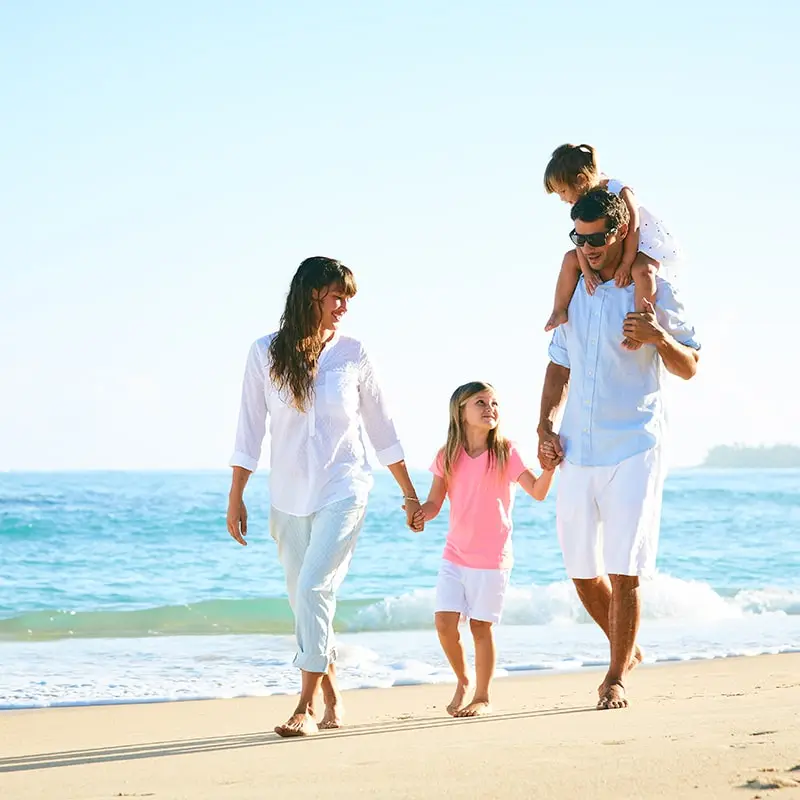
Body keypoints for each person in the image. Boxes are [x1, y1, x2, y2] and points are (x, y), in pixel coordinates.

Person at [226, 256, 422, 737]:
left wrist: (410, 494)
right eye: (337, 296)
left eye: (347, 299)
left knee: (315, 588)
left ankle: (304, 706)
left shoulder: (354, 352)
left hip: (345, 486)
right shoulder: (264, 352)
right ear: (310, 295)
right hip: (287, 495)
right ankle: (333, 695)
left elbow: (382, 426)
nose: (343, 307)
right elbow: (249, 429)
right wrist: (236, 495)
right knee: (305, 601)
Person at [537, 189, 700, 710]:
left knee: (625, 568)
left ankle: (615, 679)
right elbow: (558, 363)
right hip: (577, 451)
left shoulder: (653, 287)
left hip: (634, 444)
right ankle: (627, 650)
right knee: (583, 572)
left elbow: (690, 366)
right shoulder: (575, 292)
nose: (587, 248)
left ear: (619, 232)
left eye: (597, 239)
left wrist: (657, 337)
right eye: (577, 239)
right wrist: (544, 423)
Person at [411, 382, 555, 717]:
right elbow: (435, 501)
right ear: (460, 411)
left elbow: (537, 492)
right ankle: (462, 680)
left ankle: (482, 695)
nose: (490, 408)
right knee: (444, 624)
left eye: (494, 403)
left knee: (480, 628)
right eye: (480, 402)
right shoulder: (447, 454)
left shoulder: (506, 451)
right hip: (455, 554)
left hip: (492, 559)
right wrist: (422, 514)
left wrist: (549, 470)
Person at [543, 143, 683, 350]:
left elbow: (633, 226)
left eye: (563, 191)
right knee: (569, 259)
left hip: (641, 242)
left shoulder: (617, 188)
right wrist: (588, 272)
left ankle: (641, 322)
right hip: (607, 243)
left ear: (581, 180)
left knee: (642, 271)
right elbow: (581, 241)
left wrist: (626, 263)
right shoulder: (583, 205)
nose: (563, 198)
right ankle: (559, 310)